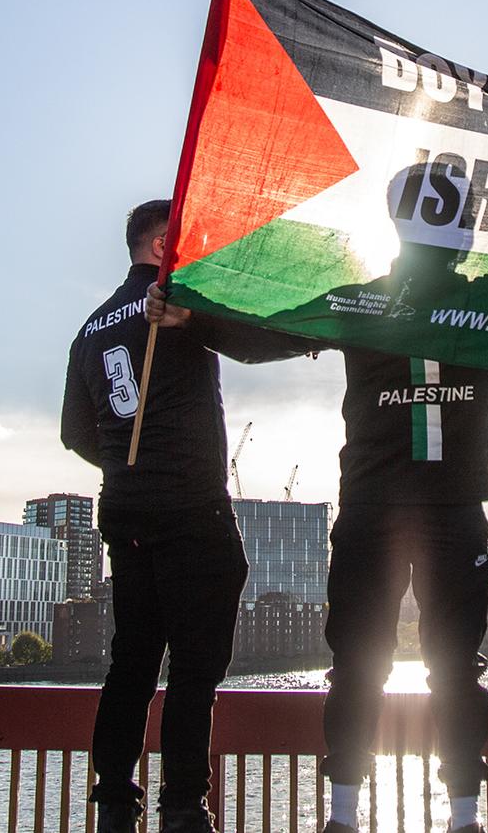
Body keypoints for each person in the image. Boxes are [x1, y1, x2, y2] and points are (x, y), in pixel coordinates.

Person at [148, 151, 488, 833]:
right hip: (450, 509)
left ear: (397, 224)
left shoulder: (360, 299)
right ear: (462, 226)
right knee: (452, 667)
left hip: (374, 508)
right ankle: (462, 818)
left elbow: (266, 331)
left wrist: (192, 316)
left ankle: (344, 816)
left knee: (359, 664)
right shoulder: (487, 299)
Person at [63, 199, 306, 833]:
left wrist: (124, 467)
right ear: (163, 241)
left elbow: (74, 433)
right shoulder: (175, 300)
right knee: (196, 669)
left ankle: (114, 801)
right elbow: (256, 344)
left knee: (131, 662)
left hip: (125, 511)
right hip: (191, 508)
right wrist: (312, 332)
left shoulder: (89, 329)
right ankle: (182, 809)